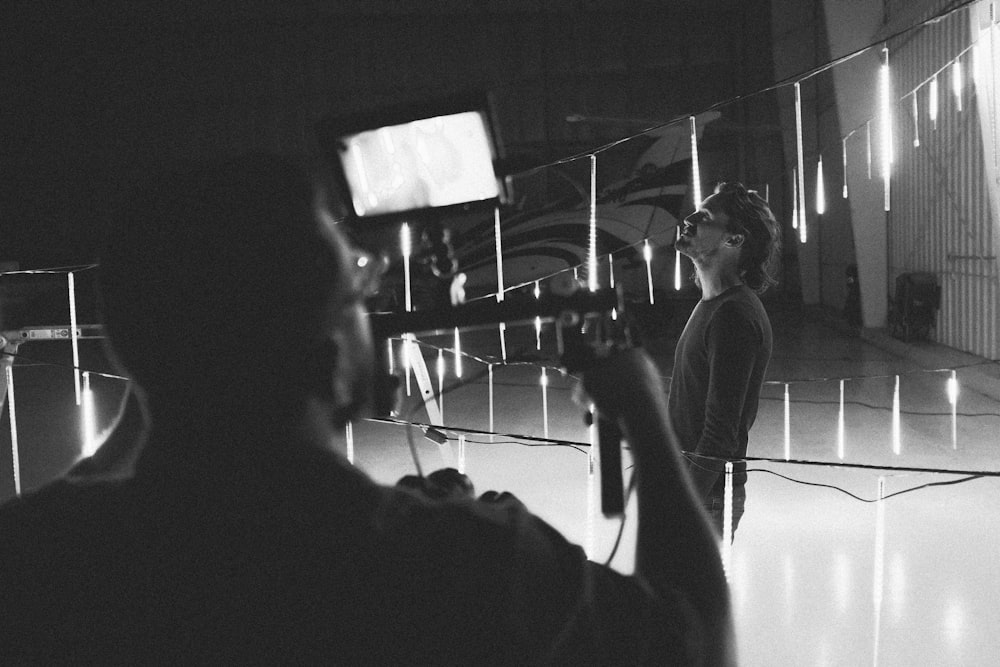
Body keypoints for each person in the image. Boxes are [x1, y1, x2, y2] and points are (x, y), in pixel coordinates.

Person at [0, 154, 735, 664]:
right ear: (327, 358)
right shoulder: (469, 565)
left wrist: (165, 386)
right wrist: (641, 409)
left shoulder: (40, 560)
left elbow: (76, 507)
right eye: (355, 290)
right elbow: (697, 638)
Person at [671, 182, 780, 541]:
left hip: (706, 500)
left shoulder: (733, 316)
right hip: (699, 493)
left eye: (704, 217)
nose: (689, 219)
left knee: (686, 599)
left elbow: (719, 435)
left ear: (735, 240)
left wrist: (680, 504)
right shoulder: (713, 306)